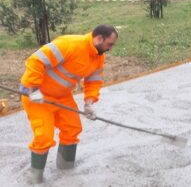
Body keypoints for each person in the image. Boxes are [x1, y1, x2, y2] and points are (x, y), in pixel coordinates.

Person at [19, 24, 118, 183]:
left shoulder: (98, 57)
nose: (110, 48)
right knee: (44, 136)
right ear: (99, 38)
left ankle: (66, 169)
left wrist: (89, 103)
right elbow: (36, 60)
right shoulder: (69, 44)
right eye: (109, 44)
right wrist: (34, 88)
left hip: (62, 96)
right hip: (37, 96)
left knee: (73, 128)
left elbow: (94, 81)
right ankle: (35, 177)